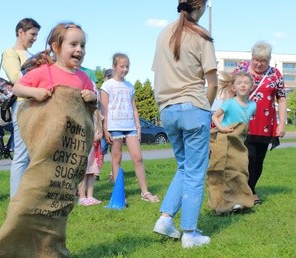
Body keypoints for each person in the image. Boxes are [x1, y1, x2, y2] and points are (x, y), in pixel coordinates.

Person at [0, 22, 96, 257]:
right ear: (56, 47)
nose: (79, 49)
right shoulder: (45, 72)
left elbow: (91, 103)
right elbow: (18, 88)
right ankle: (9, 247)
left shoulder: (83, 78)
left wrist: (91, 96)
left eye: (83, 45)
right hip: (45, 147)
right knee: (33, 196)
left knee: (59, 202)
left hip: (67, 152)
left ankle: (49, 249)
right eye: (73, 44)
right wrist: (36, 92)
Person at [151, 0, 218, 248]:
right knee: (195, 173)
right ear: (199, 8)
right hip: (193, 106)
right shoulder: (201, 35)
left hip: (168, 110)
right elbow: (212, 83)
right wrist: (206, 110)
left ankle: (166, 219)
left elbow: (158, 73)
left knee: (184, 168)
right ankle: (189, 233)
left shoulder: (163, 33)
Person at [232, 41, 287, 205]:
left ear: (269, 60)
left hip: (265, 125)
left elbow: (282, 99)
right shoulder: (241, 68)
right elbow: (230, 90)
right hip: (242, 122)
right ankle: (243, 193)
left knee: (258, 161)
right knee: (247, 158)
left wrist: (281, 123)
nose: (258, 63)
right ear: (251, 57)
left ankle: (251, 190)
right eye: (255, 59)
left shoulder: (275, 74)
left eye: (262, 60)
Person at [101, 53, 159, 203]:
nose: (125, 69)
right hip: (115, 127)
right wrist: (105, 128)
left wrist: (138, 127)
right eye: (122, 66)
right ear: (115, 67)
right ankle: (118, 194)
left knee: (138, 158)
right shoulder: (107, 86)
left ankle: (145, 192)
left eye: (127, 66)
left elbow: (134, 109)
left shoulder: (130, 86)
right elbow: (104, 110)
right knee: (116, 158)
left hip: (130, 127)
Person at [207, 71, 256, 214]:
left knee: (240, 169)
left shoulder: (253, 106)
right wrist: (221, 128)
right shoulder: (229, 103)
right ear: (233, 87)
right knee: (223, 169)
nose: (243, 85)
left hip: (239, 142)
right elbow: (215, 116)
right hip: (226, 139)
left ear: (251, 87)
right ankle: (222, 203)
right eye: (239, 83)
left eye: (246, 83)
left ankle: (238, 200)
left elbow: (245, 124)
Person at [2, 18, 41, 199]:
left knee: (35, 154)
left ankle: (29, 196)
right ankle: (15, 200)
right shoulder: (10, 53)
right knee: (22, 155)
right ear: (20, 32)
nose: (34, 38)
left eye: (36, 35)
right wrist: (37, 65)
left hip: (37, 105)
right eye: (32, 34)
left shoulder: (31, 55)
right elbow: (17, 78)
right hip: (23, 105)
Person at [77, 108, 103, 206]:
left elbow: (100, 127)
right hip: (84, 146)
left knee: (92, 171)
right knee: (83, 172)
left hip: (94, 147)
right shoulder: (81, 112)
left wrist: (100, 135)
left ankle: (90, 196)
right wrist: (92, 138)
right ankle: (82, 197)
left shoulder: (96, 113)